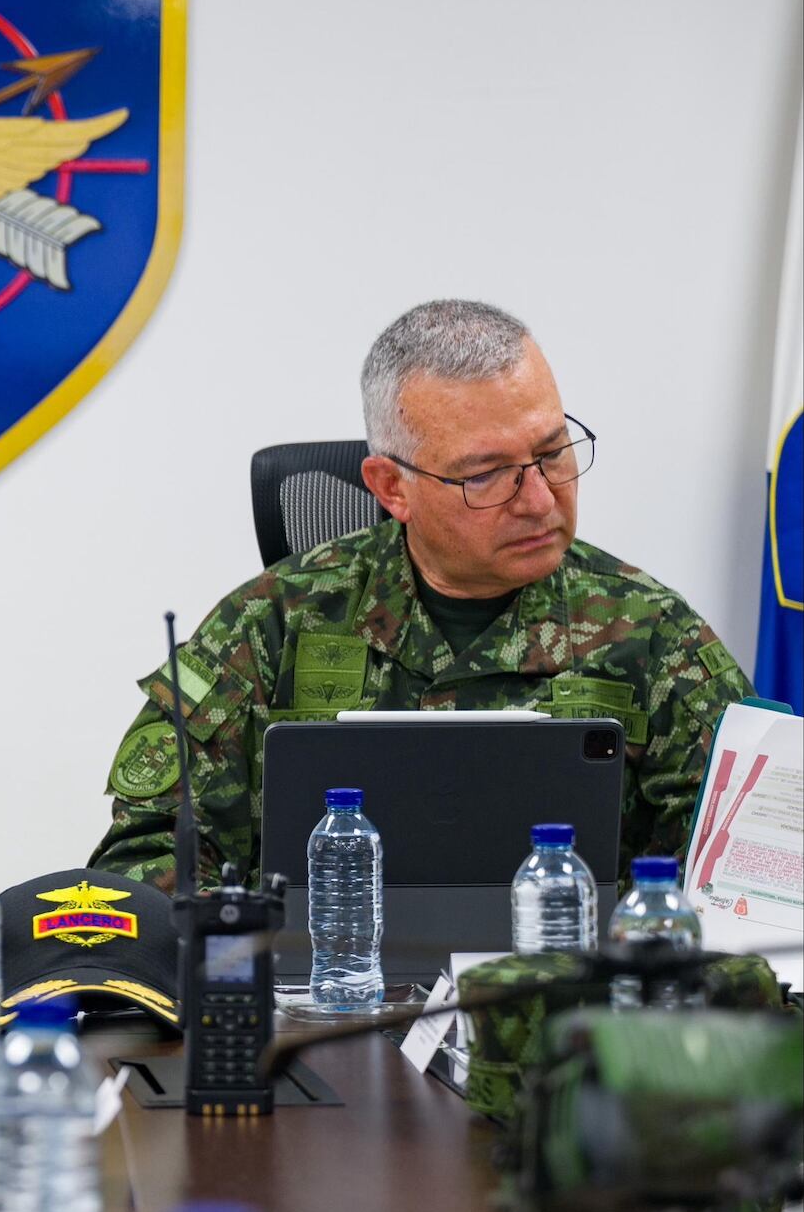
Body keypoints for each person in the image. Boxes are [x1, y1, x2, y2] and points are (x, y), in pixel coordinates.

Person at [90, 298, 754, 889]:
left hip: (566, 1005)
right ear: (389, 487)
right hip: (320, 998)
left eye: (553, 451)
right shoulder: (269, 623)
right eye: (487, 474)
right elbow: (147, 851)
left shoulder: (652, 635)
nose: (540, 498)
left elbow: (751, 865)